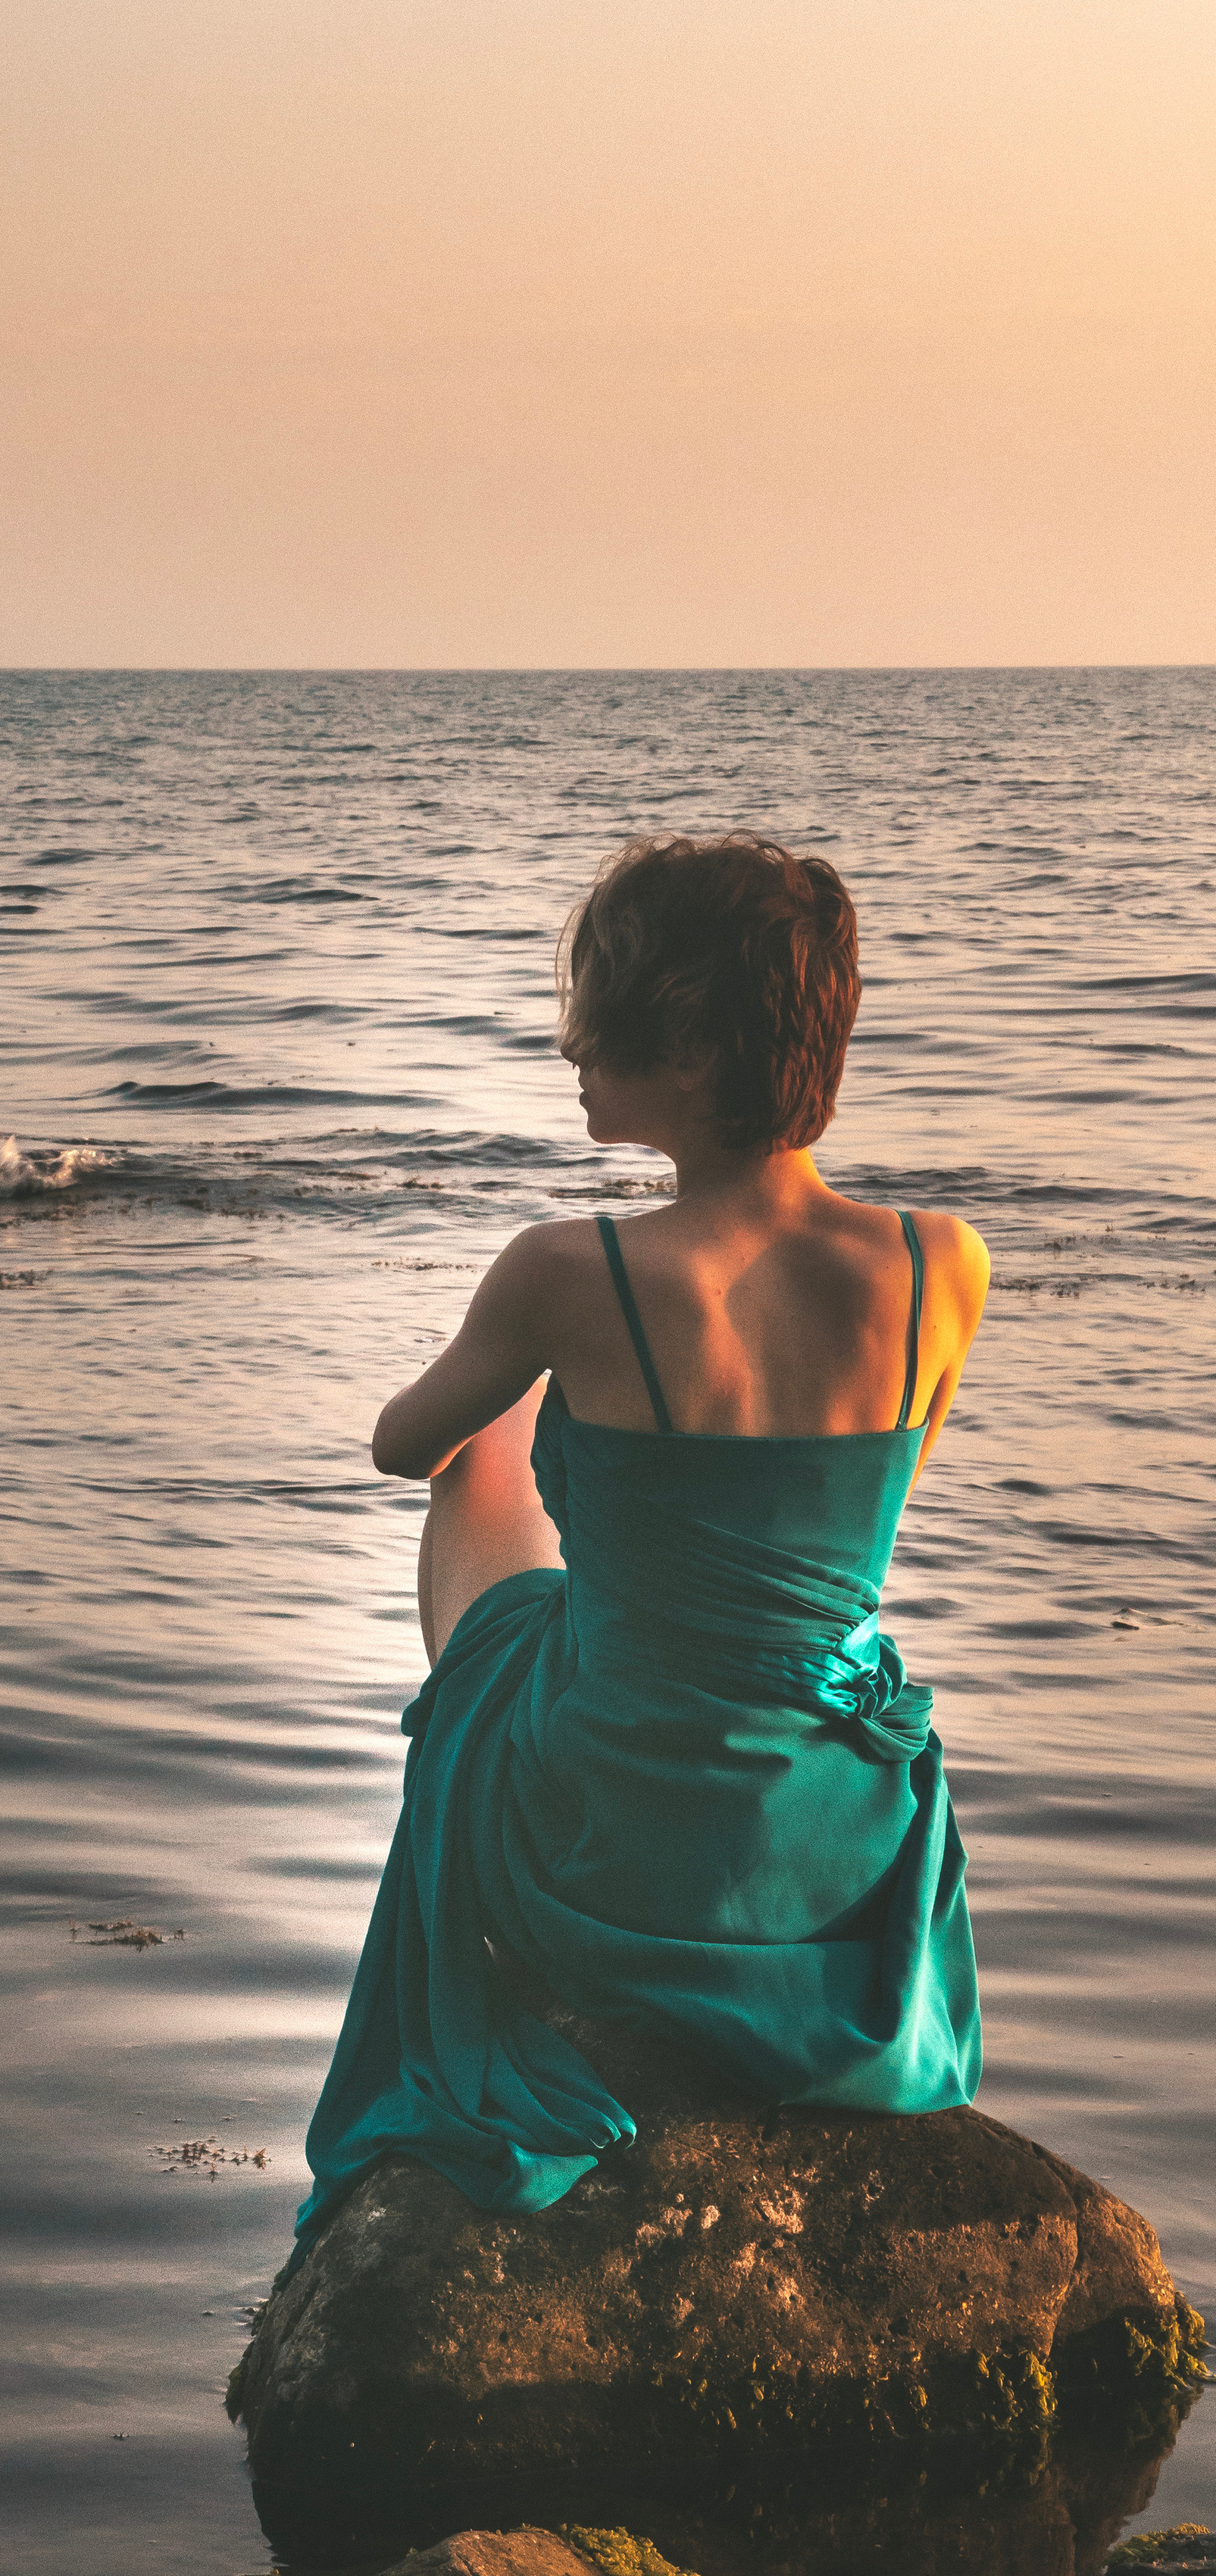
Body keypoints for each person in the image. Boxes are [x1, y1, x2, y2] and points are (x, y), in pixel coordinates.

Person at [297, 833, 990, 2244]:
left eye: (596, 1016)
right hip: (836, 1843)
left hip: (615, 1845)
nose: (570, 1051)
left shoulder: (570, 1271)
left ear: (685, 1044)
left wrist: (550, 1390)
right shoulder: (942, 1264)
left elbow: (400, 1444)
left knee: (485, 1452)